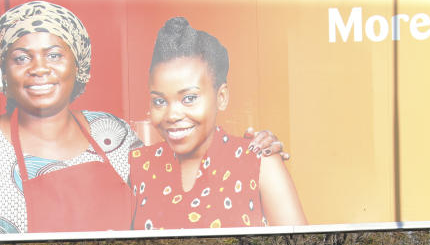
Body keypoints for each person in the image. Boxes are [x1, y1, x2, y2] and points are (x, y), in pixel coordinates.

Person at [0, 1, 284, 235]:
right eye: (21, 57)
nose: (39, 69)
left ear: (78, 66)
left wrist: (253, 150)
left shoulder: (113, 134)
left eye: (55, 54)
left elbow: (185, 161)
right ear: (3, 70)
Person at [130, 17, 306, 231]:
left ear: (221, 97)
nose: (172, 115)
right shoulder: (138, 168)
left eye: (189, 98)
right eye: (159, 101)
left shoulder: (259, 163)